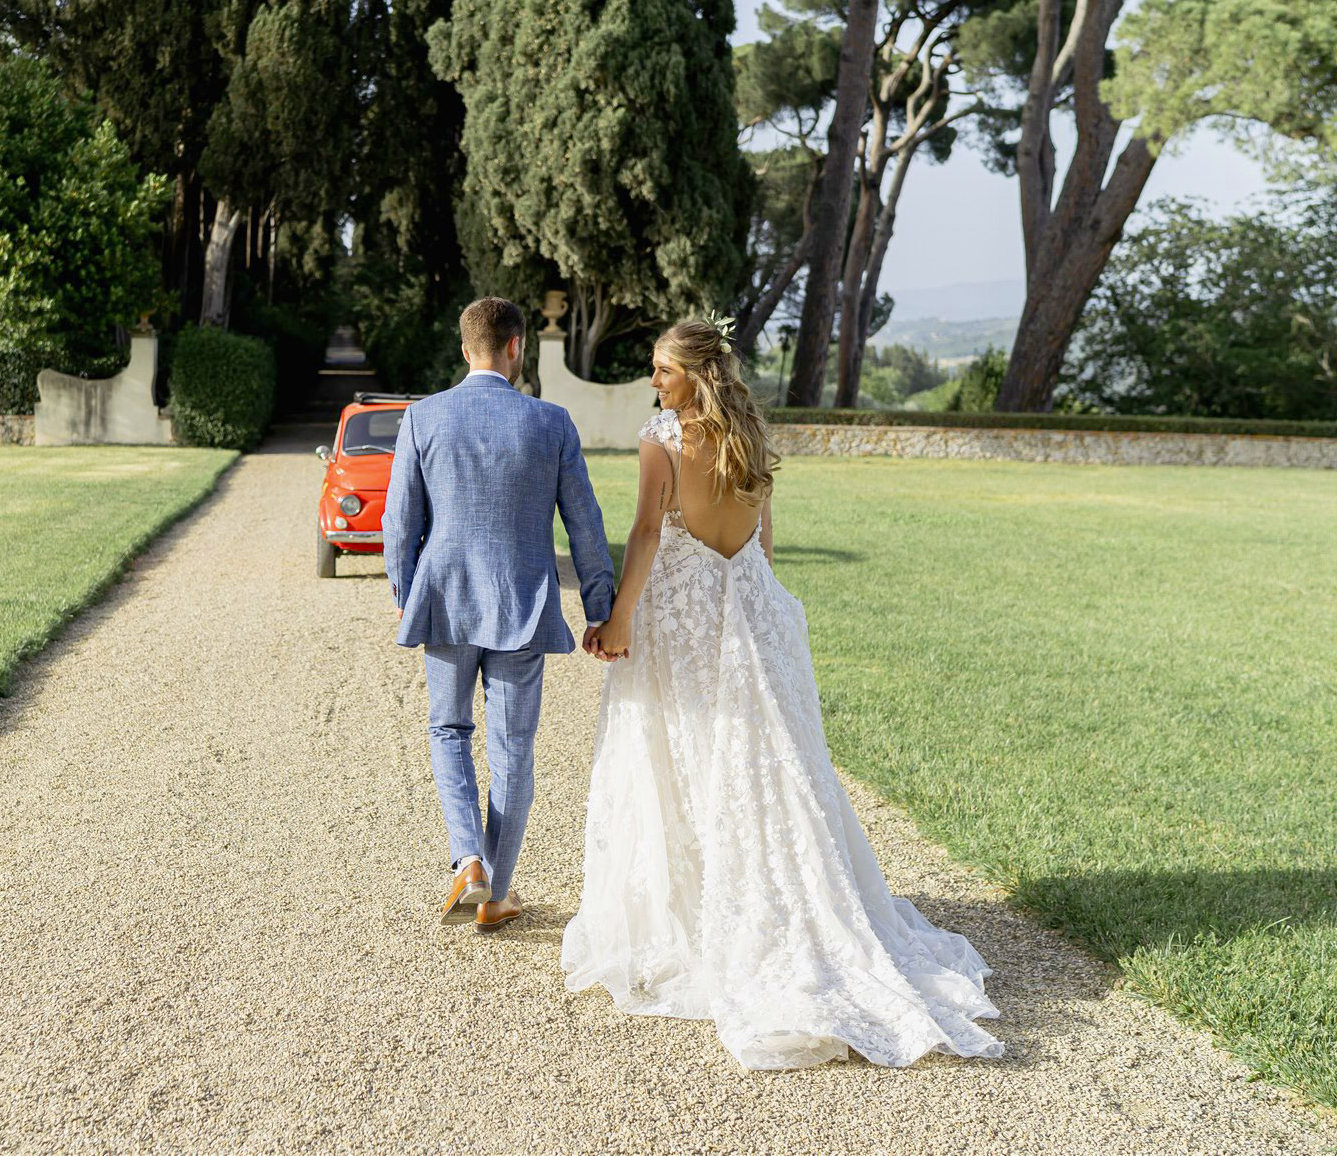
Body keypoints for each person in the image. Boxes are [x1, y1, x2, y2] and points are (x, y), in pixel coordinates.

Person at [561, 314, 1005, 1068]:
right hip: (754, 617)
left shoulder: (662, 440)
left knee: (687, 760)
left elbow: (643, 535)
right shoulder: (753, 437)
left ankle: (706, 919)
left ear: (694, 374)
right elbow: (762, 546)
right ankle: (783, 903)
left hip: (685, 623)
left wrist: (618, 618)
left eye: (664, 369)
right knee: (764, 767)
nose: (654, 381)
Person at [382, 297, 616, 931]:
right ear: (517, 347)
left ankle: (468, 860)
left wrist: (405, 590)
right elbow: (585, 525)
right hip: (523, 605)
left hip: (447, 603)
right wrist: (601, 608)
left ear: (466, 350)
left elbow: (400, 520)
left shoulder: (423, 417)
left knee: (448, 731)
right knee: (513, 749)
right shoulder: (552, 422)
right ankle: (496, 893)